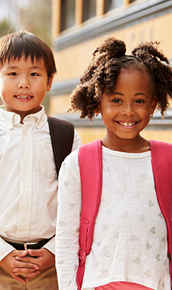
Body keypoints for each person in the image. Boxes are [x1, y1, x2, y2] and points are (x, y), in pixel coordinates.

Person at [0, 31, 81, 290]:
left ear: (49, 81)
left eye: (34, 74)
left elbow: (80, 199)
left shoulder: (66, 136)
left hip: (52, 266)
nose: (24, 83)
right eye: (12, 74)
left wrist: (54, 251)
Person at [55, 37, 172, 290]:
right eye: (116, 100)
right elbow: (66, 240)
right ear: (98, 102)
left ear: (153, 104)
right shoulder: (78, 163)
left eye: (139, 101)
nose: (128, 111)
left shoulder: (168, 160)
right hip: (98, 284)